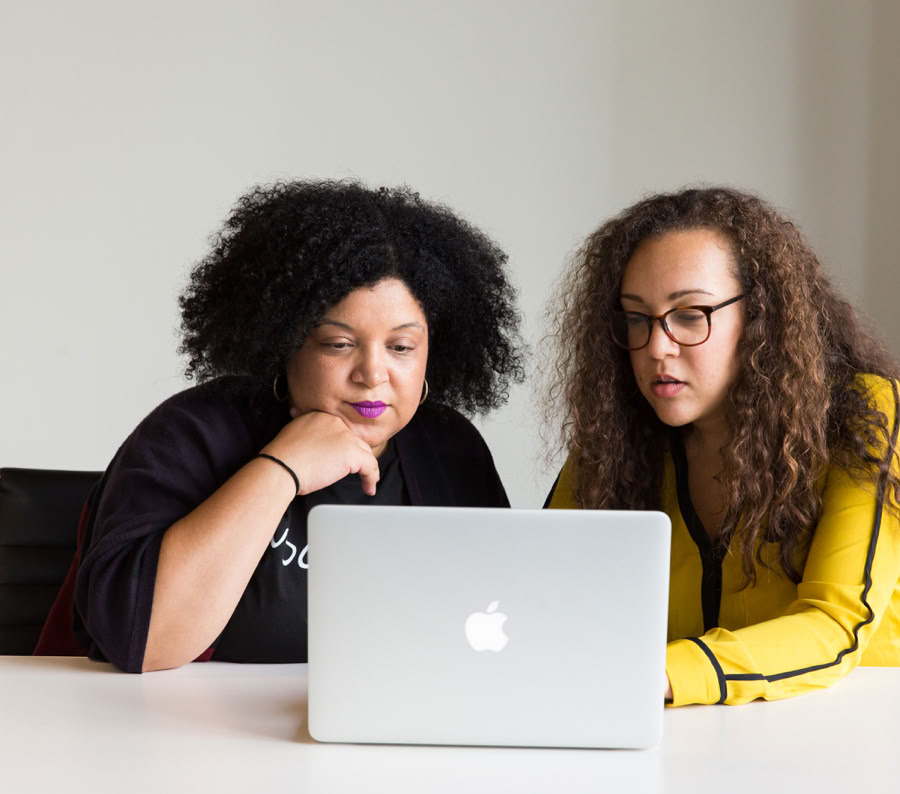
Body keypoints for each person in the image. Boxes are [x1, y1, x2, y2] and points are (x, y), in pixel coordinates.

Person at [39, 180, 524, 673]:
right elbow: (142, 644)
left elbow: (508, 621)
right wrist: (281, 467)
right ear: (285, 341)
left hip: (388, 733)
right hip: (175, 735)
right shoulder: (192, 433)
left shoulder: (450, 448)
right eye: (338, 344)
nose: (373, 374)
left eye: (401, 347)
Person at [543, 186, 900, 706]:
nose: (656, 347)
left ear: (761, 320)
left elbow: (835, 625)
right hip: (673, 736)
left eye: (690, 315)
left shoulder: (862, 413)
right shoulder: (617, 433)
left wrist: (657, 674)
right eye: (637, 319)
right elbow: (541, 585)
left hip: (849, 733)